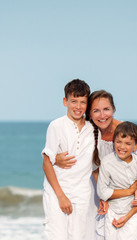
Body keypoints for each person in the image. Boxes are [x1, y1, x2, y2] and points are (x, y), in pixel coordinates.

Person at [55, 90, 137, 239]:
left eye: (106, 109)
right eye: (96, 111)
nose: (102, 115)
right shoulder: (86, 131)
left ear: (114, 109)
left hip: (122, 194)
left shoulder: (124, 131)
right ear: (89, 114)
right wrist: (55, 158)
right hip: (95, 190)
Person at [42, 79, 100, 240]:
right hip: (56, 193)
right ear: (65, 101)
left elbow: (96, 167)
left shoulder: (93, 128)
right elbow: (46, 163)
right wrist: (61, 196)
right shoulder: (56, 126)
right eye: (74, 101)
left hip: (81, 195)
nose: (78, 106)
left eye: (83, 102)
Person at [97, 121, 137, 239]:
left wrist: (127, 217)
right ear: (114, 142)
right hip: (112, 212)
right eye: (118, 142)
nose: (122, 147)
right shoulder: (107, 163)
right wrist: (129, 191)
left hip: (133, 213)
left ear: (136, 146)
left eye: (128, 143)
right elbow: (102, 192)